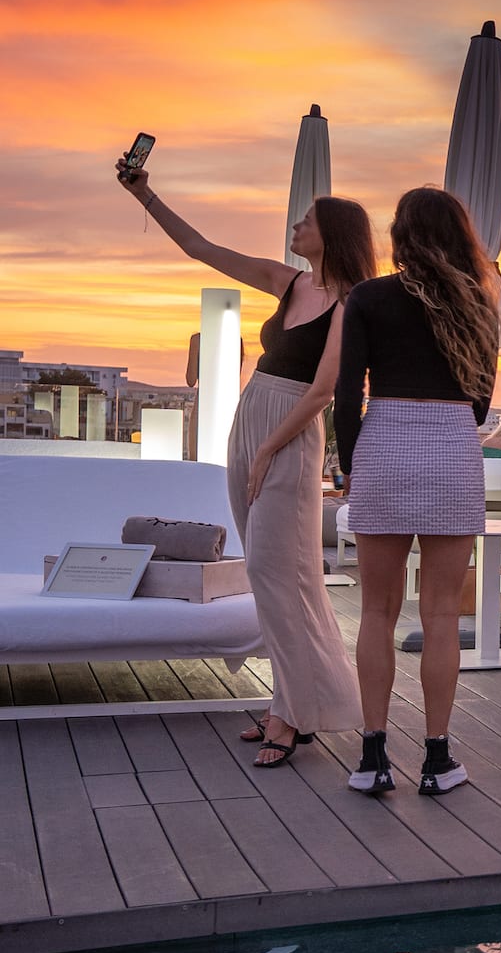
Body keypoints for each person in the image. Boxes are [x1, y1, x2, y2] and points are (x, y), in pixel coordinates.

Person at [117, 159, 367, 767]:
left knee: (284, 575)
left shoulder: (353, 302)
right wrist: (145, 195)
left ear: (332, 234)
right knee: (269, 573)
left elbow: (325, 391)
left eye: (306, 221)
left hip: (288, 429)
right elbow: (201, 248)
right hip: (252, 415)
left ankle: (296, 714)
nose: (296, 227)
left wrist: (268, 446)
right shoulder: (288, 283)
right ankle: (291, 705)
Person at [335, 187, 501, 795]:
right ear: (460, 235)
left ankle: (372, 758)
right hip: (452, 448)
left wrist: (352, 464)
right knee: (438, 615)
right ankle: (437, 759)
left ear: (400, 234)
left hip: (383, 440)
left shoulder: (369, 297)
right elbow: (481, 400)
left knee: (377, 612)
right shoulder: (481, 303)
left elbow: (347, 391)